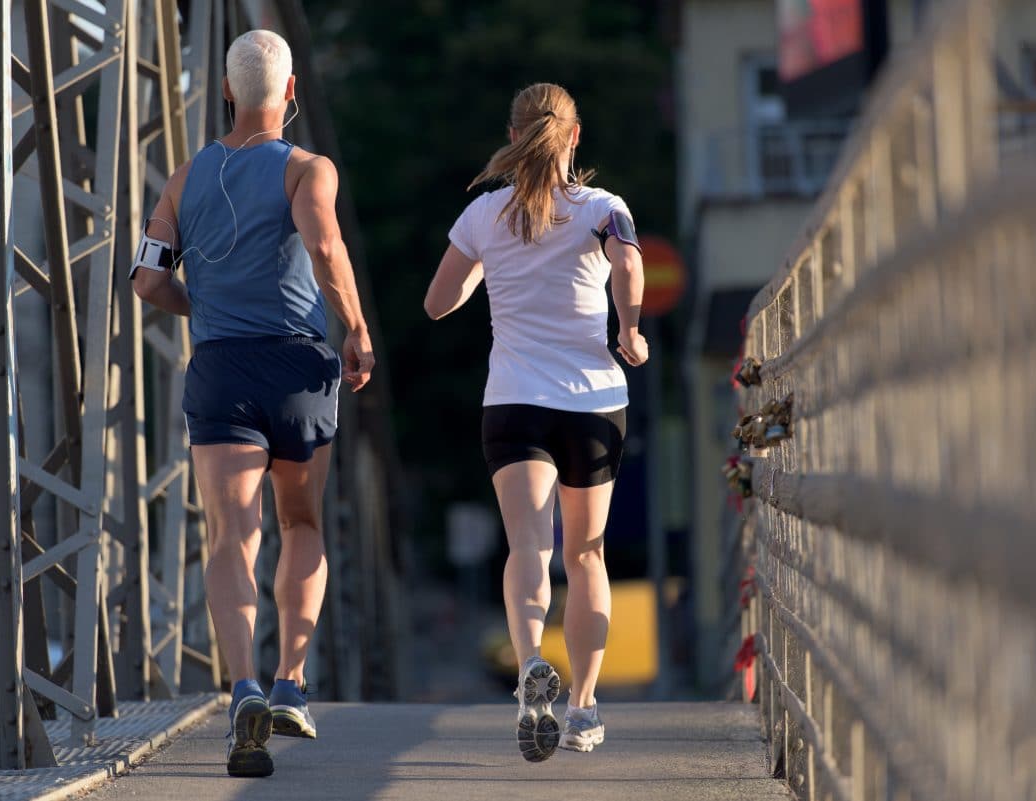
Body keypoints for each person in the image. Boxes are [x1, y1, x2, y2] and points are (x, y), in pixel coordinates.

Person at [130, 29, 374, 778]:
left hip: (222, 370)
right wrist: (358, 330)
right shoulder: (307, 168)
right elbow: (326, 248)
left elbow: (145, 280)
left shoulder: (182, 178)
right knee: (300, 520)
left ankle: (241, 685)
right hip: (297, 368)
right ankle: (290, 681)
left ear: (228, 92)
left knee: (231, 535)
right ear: (292, 94)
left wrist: (199, 304)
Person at [424, 83, 648, 763]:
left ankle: (528, 667)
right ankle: (582, 706)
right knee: (586, 556)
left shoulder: (484, 216)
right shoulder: (604, 210)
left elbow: (438, 303)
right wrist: (630, 330)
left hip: (515, 399)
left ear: (515, 135)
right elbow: (630, 263)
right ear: (574, 137)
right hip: (592, 403)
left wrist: (482, 271)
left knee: (530, 550)